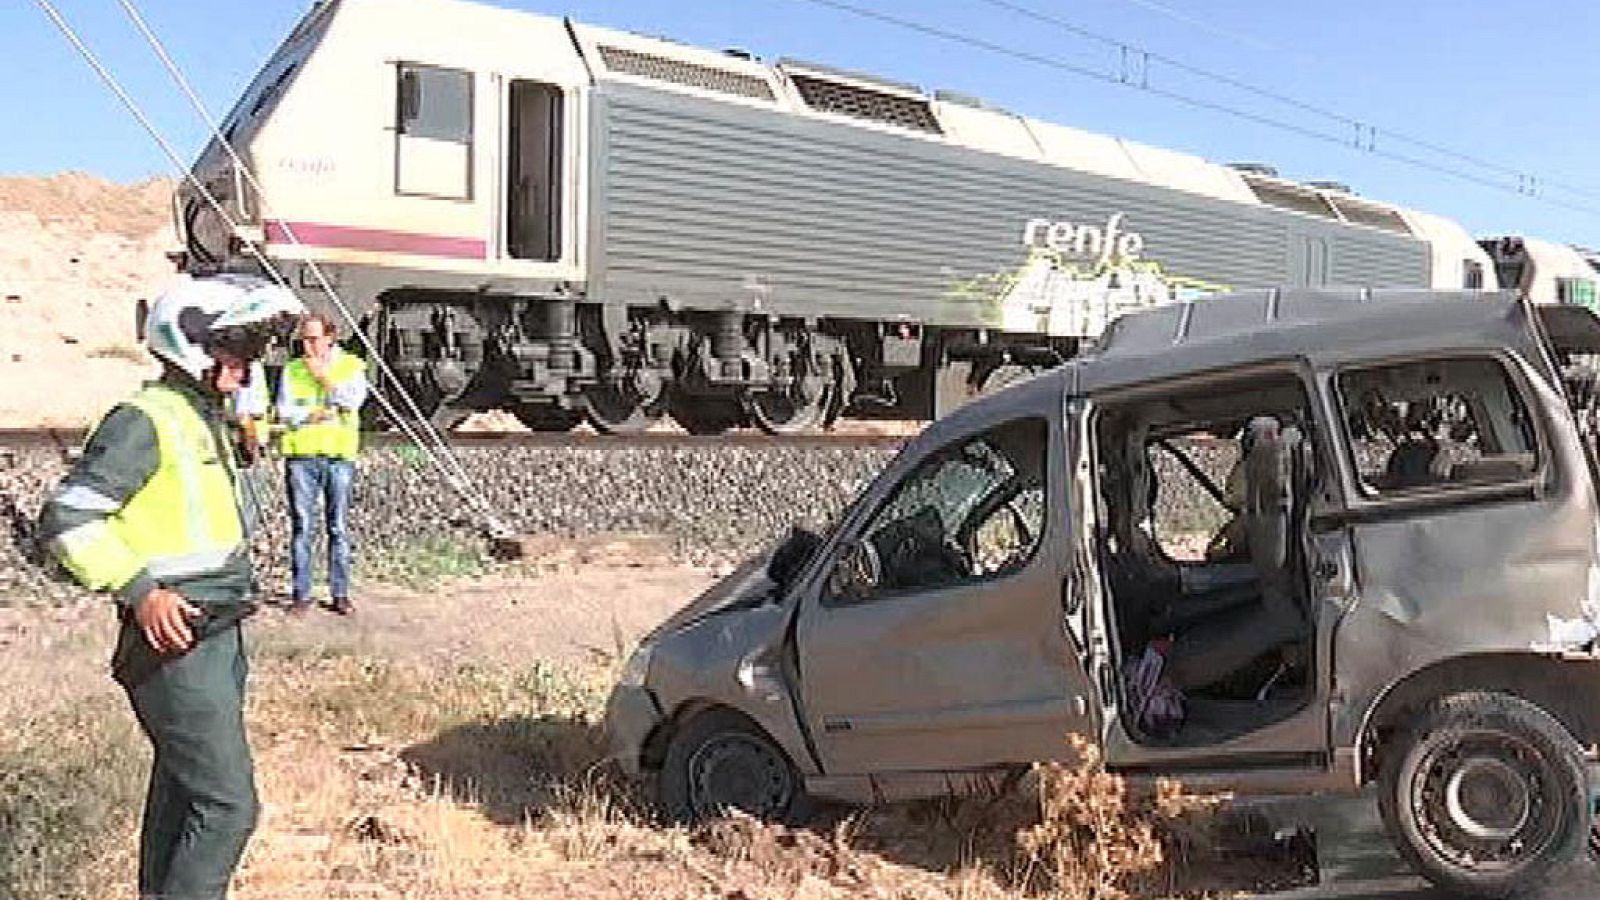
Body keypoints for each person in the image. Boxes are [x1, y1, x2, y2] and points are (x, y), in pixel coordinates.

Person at [38, 273, 302, 900]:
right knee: (229, 807)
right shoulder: (145, 420)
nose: (247, 363)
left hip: (217, 628)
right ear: (192, 346)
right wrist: (141, 592)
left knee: (184, 792)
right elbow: (68, 518)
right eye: (236, 348)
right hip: (177, 636)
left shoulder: (201, 415)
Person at [276, 311, 368, 614]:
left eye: (314, 339)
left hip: (338, 457)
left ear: (330, 338)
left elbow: (352, 401)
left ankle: (340, 593)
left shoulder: (351, 366)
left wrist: (323, 378)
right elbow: (284, 411)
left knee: (338, 527)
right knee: (302, 527)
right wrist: (308, 416)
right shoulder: (292, 370)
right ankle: (301, 595)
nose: (308, 346)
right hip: (302, 457)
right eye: (304, 340)